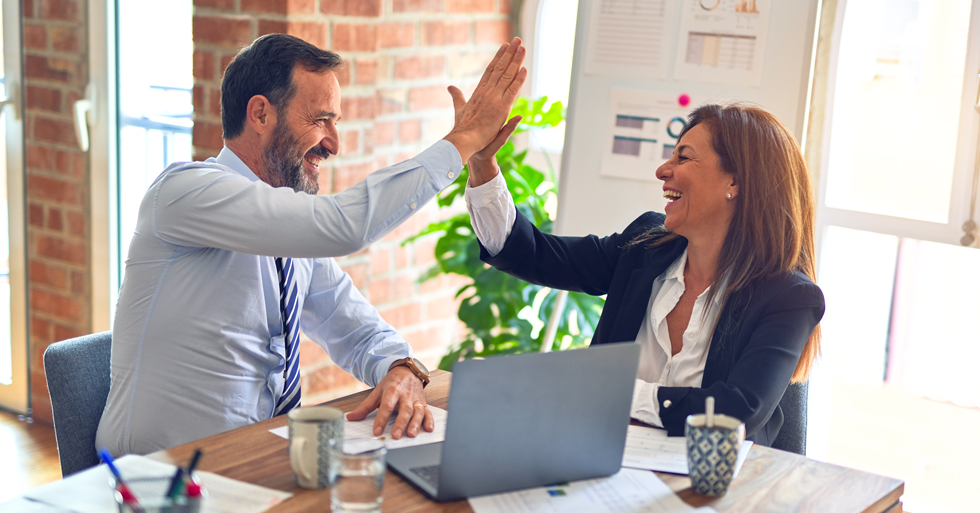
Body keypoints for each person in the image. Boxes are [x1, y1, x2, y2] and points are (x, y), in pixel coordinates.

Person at [96, 33, 527, 456]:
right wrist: (464, 140)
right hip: (159, 481)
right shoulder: (185, 192)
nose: (334, 143)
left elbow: (353, 326)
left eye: (335, 122)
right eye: (321, 119)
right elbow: (344, 226)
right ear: (261, 115)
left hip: (256, 463)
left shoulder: (289, 233)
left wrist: (401, 367)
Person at [463, 103, 824, 445]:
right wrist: (482, 164)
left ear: (735, 182)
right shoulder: (645, 247)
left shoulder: (788, 297)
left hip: (713, 493)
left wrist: (611, 391)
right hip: (603, 463)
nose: (662, 170)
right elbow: (533, 254)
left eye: (683, 157)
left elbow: (735, 413)